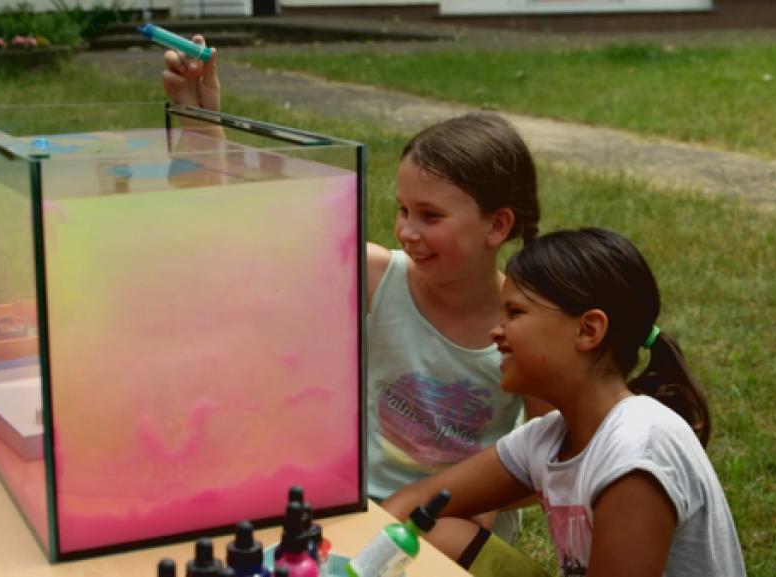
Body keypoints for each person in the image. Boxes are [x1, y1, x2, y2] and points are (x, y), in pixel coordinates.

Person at [159, 38, 552, 542]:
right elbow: (240, 235)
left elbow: (554, 462)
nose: (407, 230)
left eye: (430, 215)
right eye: (403, 209)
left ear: (497, 226)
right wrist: (202, 127)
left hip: (452, 527)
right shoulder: (375, 277)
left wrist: (470, 499)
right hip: (350, 507)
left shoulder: (528, 325)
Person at [381, 227, 747, 577]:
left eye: (515, 313)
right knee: (436, 534)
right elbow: (422, 501)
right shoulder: (548, 438)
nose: (496, 331)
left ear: (588, 330)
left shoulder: (635, 452)